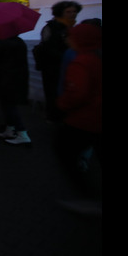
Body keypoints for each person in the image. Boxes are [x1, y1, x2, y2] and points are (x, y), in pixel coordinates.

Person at [54, 23, 102, 201]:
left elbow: (77, 93)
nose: (68, 40)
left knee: (64, 150)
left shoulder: (81, 61)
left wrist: (62, 104)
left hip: (84, 119)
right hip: (95, 116)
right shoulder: (96, 55)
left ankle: (89, 197)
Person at [36, 0, 81, 122]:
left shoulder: (72, 26)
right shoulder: (51, 27)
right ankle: (54, 116)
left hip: (67, 65)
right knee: (53, 91)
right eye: (68, 12)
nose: (72, 14)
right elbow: (47, 47)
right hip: (52, 66)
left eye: (74, 11)